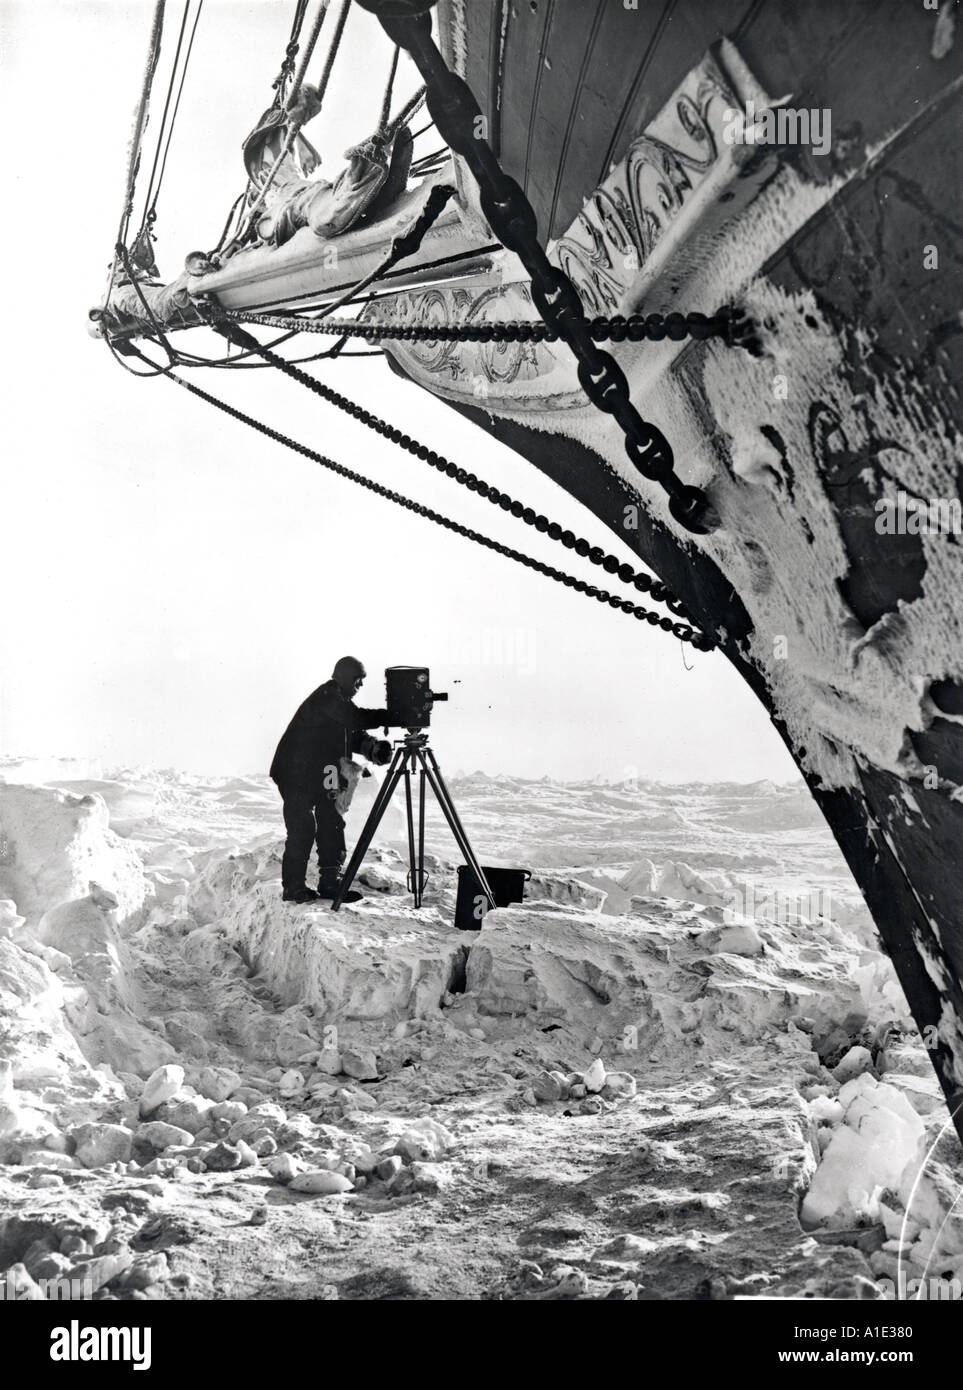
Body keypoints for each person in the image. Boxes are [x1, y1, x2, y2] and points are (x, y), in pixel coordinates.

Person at [270, 656, 392, 903]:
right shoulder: (327, 697)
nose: (360, 686)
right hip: (296, 773)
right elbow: (353, 719)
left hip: (322, 771)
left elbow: (351, 734)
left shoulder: (339, 703)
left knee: (332, 822)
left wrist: (373, 747)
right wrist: (391, 716)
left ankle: (330, 883)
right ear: (346, 677)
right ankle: (293, 888)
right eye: (358, 680)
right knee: (302, 829)